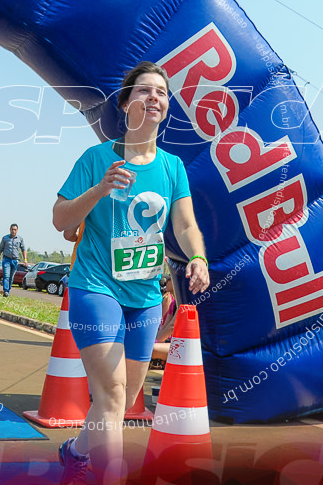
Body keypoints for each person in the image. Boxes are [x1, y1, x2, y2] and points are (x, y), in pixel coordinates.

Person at [52, 61, 210, 485]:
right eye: (143, 90)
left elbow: (186, 225)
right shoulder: (96, 159)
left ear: (167, 107)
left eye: (161, 92)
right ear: (126, 104)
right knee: (113, 392)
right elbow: (60, 218)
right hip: (96, 286)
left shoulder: (173, 168)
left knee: (117, 401)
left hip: (144, 297)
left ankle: (75, 452)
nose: (153, 97)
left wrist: (198, 257)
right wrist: (101, 188)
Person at [150, 275, 177, 368]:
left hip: (187, 344)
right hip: (175, 343)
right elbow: (165, 326)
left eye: (170, 278)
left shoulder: (183, 301)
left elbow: (172, 326)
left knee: (150, 349)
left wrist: (155, 343)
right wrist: (155, 341)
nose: (168, 281)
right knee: (147, 348)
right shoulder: (174, 304)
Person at [0, 223, 27, 297]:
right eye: (12, 229)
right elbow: (0, 249)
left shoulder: (20, 239)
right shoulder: (5, 238)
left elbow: (23, 249)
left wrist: (25, 259)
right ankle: (6, 291)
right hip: (6, 260)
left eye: (15, 230)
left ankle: (7, 290)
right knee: (6, 276)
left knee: (11, 277)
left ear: (17, 230)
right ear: (10, 229)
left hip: (15, 260)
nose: (13, 231)